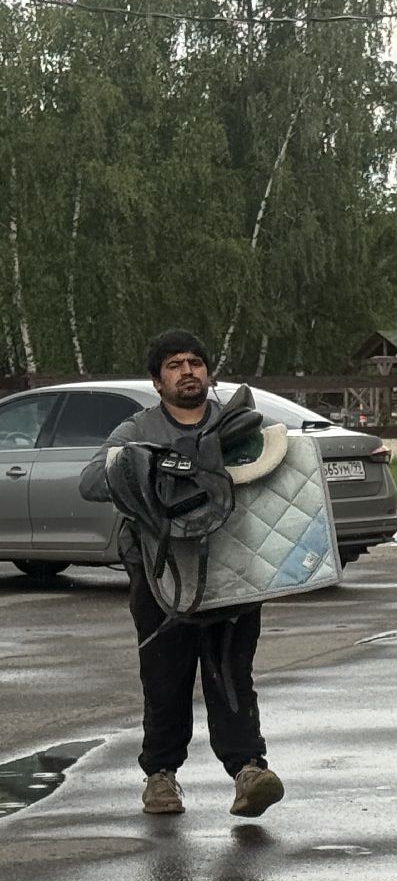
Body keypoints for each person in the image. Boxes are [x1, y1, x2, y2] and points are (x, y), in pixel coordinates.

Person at [79, 330, 284, 818]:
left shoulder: (241, 425)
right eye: (174, 364)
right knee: (165, 677)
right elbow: (91, 481)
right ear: (157, 380)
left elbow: (280, 481)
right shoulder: (136, 429)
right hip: (159, 577)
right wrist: (156, 468)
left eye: (195, 362)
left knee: (231, 675)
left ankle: (248, 772)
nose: (187, 371)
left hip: (233, 571)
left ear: (207, 373)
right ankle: (160, 777)